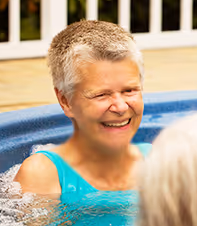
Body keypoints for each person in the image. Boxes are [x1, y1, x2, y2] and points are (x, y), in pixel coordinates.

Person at [14, 20, 150, 197]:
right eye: (102, 94)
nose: (120, 107)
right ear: (66, 101)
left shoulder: (160, 162)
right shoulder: (44, 174)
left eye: (129, 90)